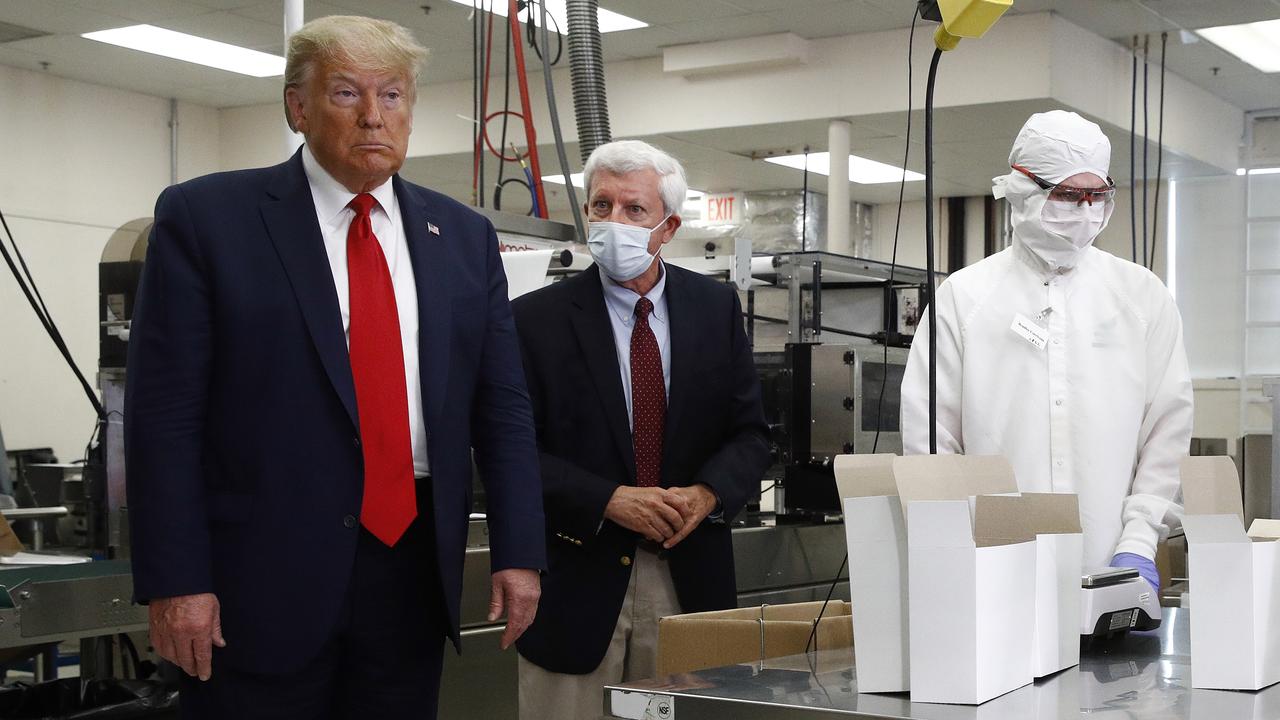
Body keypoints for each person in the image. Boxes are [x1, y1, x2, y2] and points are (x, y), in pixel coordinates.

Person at [125, 15, 545, 719]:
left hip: (410, 573)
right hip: (257, 582)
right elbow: (164, 416)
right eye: (348, 93)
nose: (375, 116)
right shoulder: (208, 219)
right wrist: (176, 579)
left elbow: (501, 407)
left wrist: (520, 549)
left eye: (394, 95)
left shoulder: (463, 238)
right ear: (298, 106)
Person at [511, 140, 771, 720]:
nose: (612, 223)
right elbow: (509, 452)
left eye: (634, 210)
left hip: (686, 576)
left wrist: (706, 494)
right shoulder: (535, 320)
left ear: (669, 225)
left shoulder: (715, 308)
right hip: (576, 576)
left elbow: (752, 434)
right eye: (600, 207)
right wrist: (607, 499)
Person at [901, 110, 1193, 592]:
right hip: (991, 573)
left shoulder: (1141, 297)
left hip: (1110, 569)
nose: (1085, 211)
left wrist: (1139, 542)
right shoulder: (964, 297)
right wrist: (950, 549)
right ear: (1022, 189)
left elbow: (1167, 430)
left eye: (1097, 195)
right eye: (1067, 194)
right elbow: (931, 443)